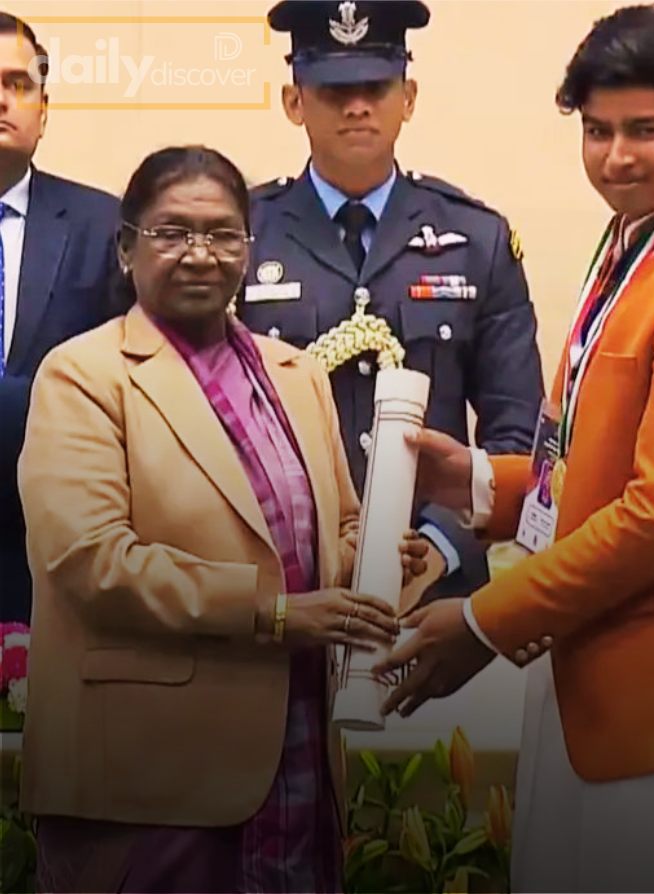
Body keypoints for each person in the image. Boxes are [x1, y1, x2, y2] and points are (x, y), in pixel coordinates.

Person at [371, 7, 654, 892]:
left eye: (644, 130)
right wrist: (478, 480)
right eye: (596, 131)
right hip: (605, 678)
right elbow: (597, 457)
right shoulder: (637, 241)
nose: (615, 156)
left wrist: (479, 622)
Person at [18, 145, 424, 893]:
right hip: (148, 780)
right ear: (126, 246)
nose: (199, 254)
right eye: (172, 233)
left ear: (248, 246)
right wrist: (274, 614)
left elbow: (334, 531)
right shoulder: (83, 374)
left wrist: (379, 563)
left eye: (222, 233)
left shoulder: (294, 374)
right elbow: (92, 562)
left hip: (296, 755)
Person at [241, 0, 544, 603]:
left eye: (376, 87)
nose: (357, 106)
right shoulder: (243, 233)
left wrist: (443, 544)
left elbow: (519, 432)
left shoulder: (475, 239)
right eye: (334, 89)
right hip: (290, 583)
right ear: (294, 101)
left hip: (437, 592)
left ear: (408, 96)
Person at [0, 13, 121, 623]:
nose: (1, 98)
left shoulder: (106, 227)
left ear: (44, 111)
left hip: (62, 555)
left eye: (18, 84)